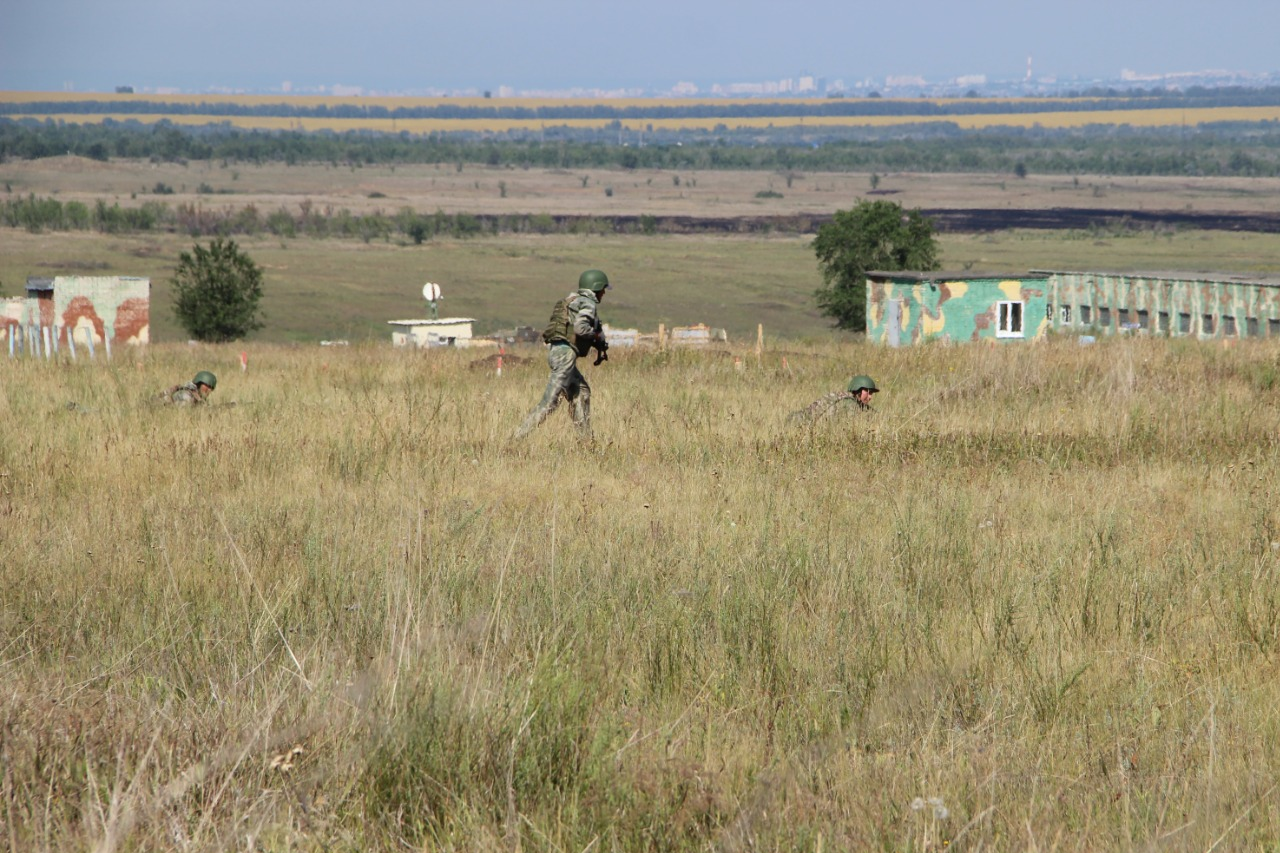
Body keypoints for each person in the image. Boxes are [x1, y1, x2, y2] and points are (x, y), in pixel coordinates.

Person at [514, 269, 611, 440]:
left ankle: (586, 441)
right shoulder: (587, 303)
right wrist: (596, 335)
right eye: (603, 289)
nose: (604, 293)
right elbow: (581, 328)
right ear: (596, 287)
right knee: (549, 401)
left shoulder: (572, 300)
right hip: (565, 355)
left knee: (582, 392)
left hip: (559, 353)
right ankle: (516, 439)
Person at [791, 374, 879, 421]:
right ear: (858, 390)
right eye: (868, 392)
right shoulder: (849, 403)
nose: (870, 397)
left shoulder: (851, 400)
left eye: (871, 393)